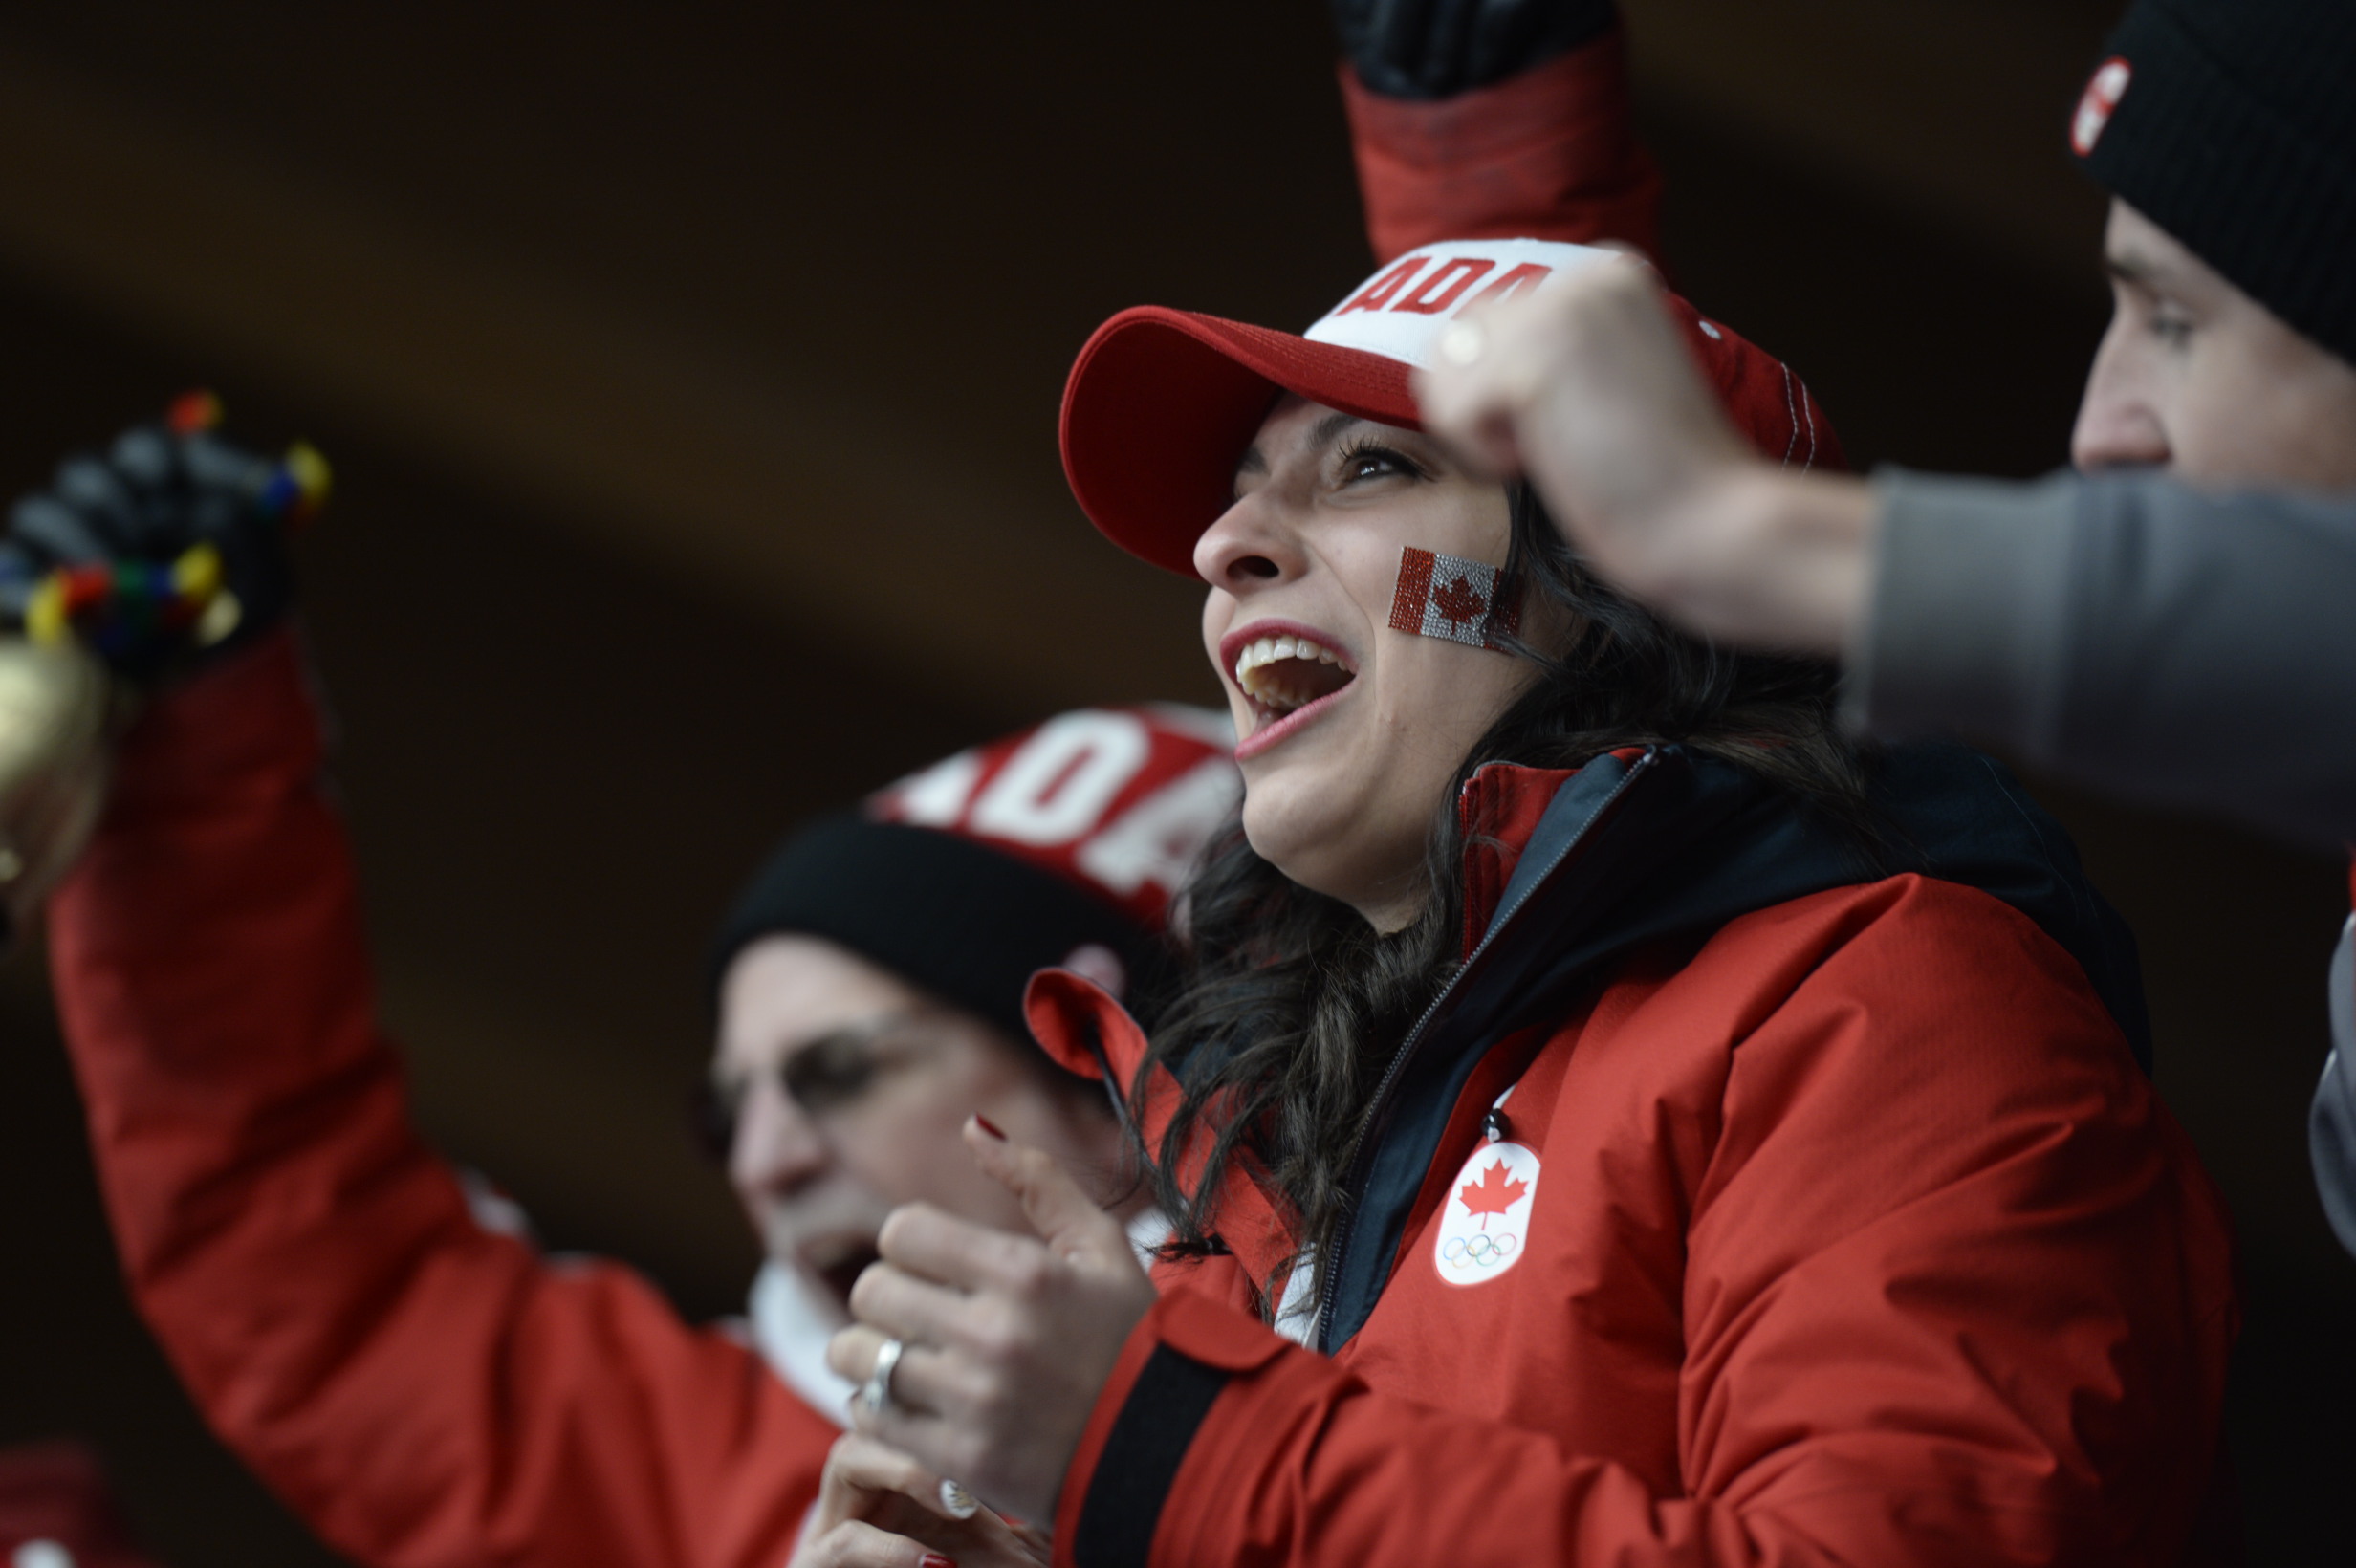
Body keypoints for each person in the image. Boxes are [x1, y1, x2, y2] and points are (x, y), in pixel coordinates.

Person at [820, 231, 2238, 1567]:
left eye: (1370, 465)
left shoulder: (1893, 998)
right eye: (1241, 488)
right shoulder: (1267, 1159)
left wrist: (1174, 1457)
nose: (1221, 545)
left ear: (1634, 574)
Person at [15, 406, 1237, 1568]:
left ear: (1104, 1067)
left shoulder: (1380, 1356)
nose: (762, 1162)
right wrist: (190, 739)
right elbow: (307, 1246)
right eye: (726, 1111)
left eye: (841, 1069)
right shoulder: (690, 1467)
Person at [1409, 0, 2356, 1257]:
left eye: (2176, 324)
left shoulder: (1912, 995)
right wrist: (1505, 251)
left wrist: (1733, 527)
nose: (2100, 431)